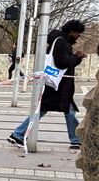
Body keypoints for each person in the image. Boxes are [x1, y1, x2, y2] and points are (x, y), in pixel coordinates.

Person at [7, 20, 87, 150]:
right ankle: (18, 134)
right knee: (44, 110)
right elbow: (62, 63)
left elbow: (65, 64)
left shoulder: (61, 41)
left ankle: (76, 139)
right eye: (78, 33)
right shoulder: (61, 42)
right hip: (58, 87)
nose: (79, 36)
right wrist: (77, 56)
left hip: (59, 86)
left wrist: (77, 59)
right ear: (72, 31)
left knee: (65, 111)